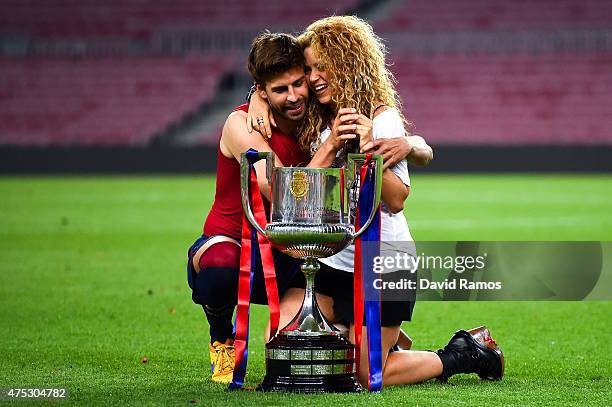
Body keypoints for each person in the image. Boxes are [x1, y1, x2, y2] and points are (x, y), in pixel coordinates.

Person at [248, 15, 503, 386]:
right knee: (286, 340)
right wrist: (255, 98)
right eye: (309, 68)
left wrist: (369, 151)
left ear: (348, 63)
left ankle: (465, 352)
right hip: (333, 263)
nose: (315, 77)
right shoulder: (319, 121)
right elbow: (271, 86)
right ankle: (380, 338)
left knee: (367, 375)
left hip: (386, 263)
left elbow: (398, 199)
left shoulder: (381, 118)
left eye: (324, 65)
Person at [186, 32, 313, 384]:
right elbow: (271, 184)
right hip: (232, 242)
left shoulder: (315, 121)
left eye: (298, 84)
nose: (293, 97)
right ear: (262, 89)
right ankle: (221, 338)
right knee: (220, 269)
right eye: (279, 90)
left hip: (287, 250)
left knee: (336, 277)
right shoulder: (238, 124)